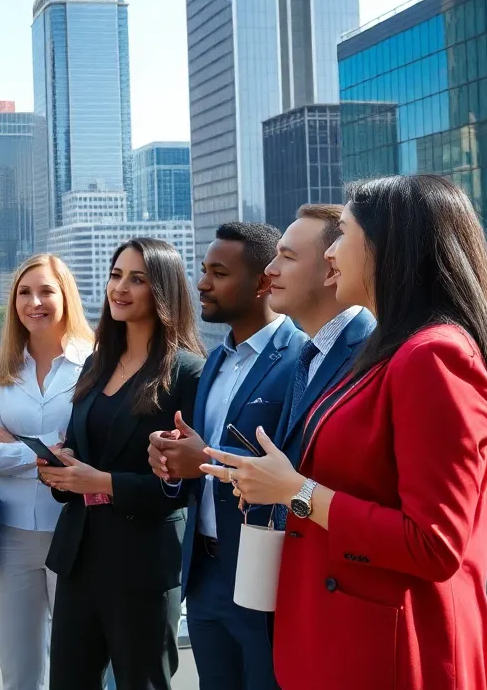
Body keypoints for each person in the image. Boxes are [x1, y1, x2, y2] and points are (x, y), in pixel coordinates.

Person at [200, 175, 487, 690]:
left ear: (386, 247)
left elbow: (435, 543)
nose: (332, 253)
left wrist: (297, 493)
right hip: (346, 641)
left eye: (344, 236)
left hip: (396, 653)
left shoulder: (433, 356)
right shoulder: (387, 352)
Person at [38, 238, 206, 690]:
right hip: (80, 557)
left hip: (143, 564)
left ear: (163, 290)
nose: (120, 288)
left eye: (137, 279)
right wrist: (59, 470)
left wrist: (104, 481)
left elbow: (187, 486)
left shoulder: (187, 372)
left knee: (141, 683)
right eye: (116, 276)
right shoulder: (96, 364)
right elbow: (78, 450)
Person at [149, 221, 307, 690]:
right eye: (203, 270)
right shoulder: (215, 359)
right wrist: (173, 464)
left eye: (218, 272)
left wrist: (204, 461)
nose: (201, 283)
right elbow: (200, 459)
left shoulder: (300, 357)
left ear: (263, 282)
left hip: (264, 571)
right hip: (204, 572)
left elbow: (298, 466)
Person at [0, 254, 93, 690]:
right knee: (19, 671)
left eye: (46, 291)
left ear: (66, 296)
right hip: (9, 535)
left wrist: (15, 444)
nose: (34, 302)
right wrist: (44, 453)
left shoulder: (96, 363)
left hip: (78, 531)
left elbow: (85, 449)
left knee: (75, 666)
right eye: (24, 292)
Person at [263, 204, 375, 470]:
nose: (269, 269)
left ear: (332, 267)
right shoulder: (308, 353)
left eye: (287, 257)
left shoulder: (374, 354)